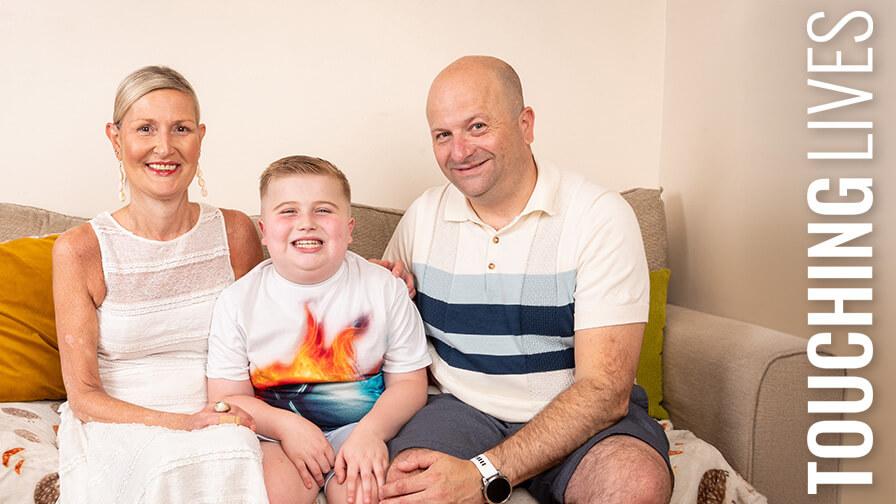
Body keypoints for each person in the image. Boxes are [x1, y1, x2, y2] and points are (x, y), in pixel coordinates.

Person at [378, 56, 673, 504]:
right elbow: (370, 323)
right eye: (443, 135)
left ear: (525, 124)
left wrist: (484, 473)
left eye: (477, 127)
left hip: (580, 418)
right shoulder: (424, 216)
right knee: (405, 490)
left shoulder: (599, 217)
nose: (459, 152)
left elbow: (604, 391)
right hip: (456, 408)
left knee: (634, 484)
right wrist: (377, 292)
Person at [53, 66, 268, 503]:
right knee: (169, 468)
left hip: (223, 415)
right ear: (115, 139)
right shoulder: (79, 250)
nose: (164, 147)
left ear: (200, 137)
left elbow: (281, 314)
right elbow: (84, 396)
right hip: (122, 423)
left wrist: (366, 275)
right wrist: (185, 424)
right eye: (145, 128)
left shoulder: (235, 232)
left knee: (235, 451)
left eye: (181, 128)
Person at [206, 155, 431, 504]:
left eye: (323, 210)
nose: (307, 223)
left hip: (364, 431)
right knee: (272, 493)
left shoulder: (384, 288)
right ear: (264, 231)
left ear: (351, 229)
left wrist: (371, 434)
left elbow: (410, 384)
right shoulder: (238, 301)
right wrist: (286, 427)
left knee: (366, 494)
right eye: (288, 211)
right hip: (277, 437)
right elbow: (227, 397)